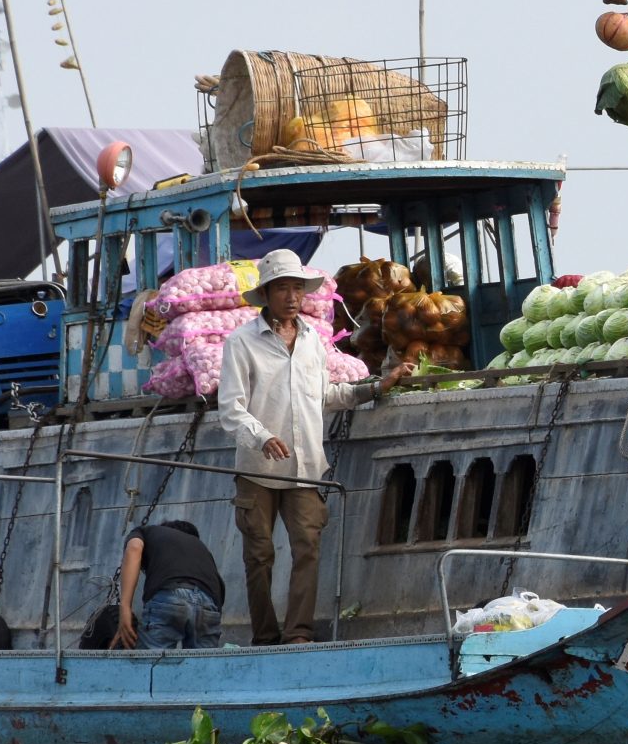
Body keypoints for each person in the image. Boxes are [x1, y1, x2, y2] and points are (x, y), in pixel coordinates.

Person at [219, 249, 414, 645]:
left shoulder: (312, 341)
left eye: (297, 288)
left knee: (307, 547)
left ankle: (299, 633)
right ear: (266, 294)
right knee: (259, 555)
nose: (292, 297)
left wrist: (376, 387)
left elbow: (326, 396)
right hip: (258, 469)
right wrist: (262, 436)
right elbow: (231, 408)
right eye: (282, 289)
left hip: (305, 467)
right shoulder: (241, 342)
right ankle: (265, 636)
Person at [108, 518, 226, 650]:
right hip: (209, 604)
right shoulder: (201, 548)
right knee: (202, 661)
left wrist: (125, 608)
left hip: (171, 595)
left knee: (152, 661)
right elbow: (219, 589)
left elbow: (134, 548)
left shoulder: (146, 531)